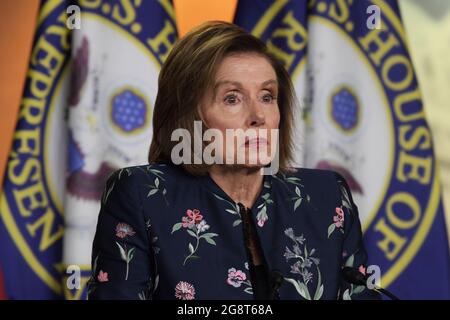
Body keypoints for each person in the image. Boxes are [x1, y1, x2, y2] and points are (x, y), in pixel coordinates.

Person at [87, 21, 379, 300]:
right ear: (188, 115)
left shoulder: (326, 197)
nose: (258, 116)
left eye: (267, 96)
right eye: (232, 98)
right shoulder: (141, 196)